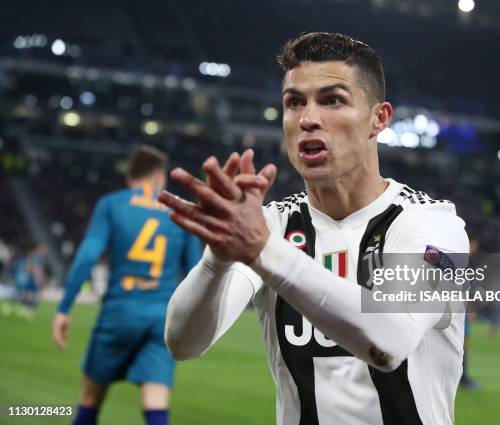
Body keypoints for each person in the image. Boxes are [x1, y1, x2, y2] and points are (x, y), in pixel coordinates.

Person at [160, 32, 469, 425]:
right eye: (294, 102)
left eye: (332, 100)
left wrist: (261, 251)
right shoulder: (273, 223)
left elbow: (391, 344)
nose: (308, 119)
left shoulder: (431, 224)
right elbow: (184, 343)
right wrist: (217, 259)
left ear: (379, 118)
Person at [52, 145, 202, 425]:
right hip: (161, 318)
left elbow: (87, 257)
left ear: (130, 177)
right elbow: (197, 271)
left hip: (119, 312)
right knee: (156, 404)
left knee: (90, 401)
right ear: (159, 177)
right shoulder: (179, 211)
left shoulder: (113, 204)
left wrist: (64, 308)